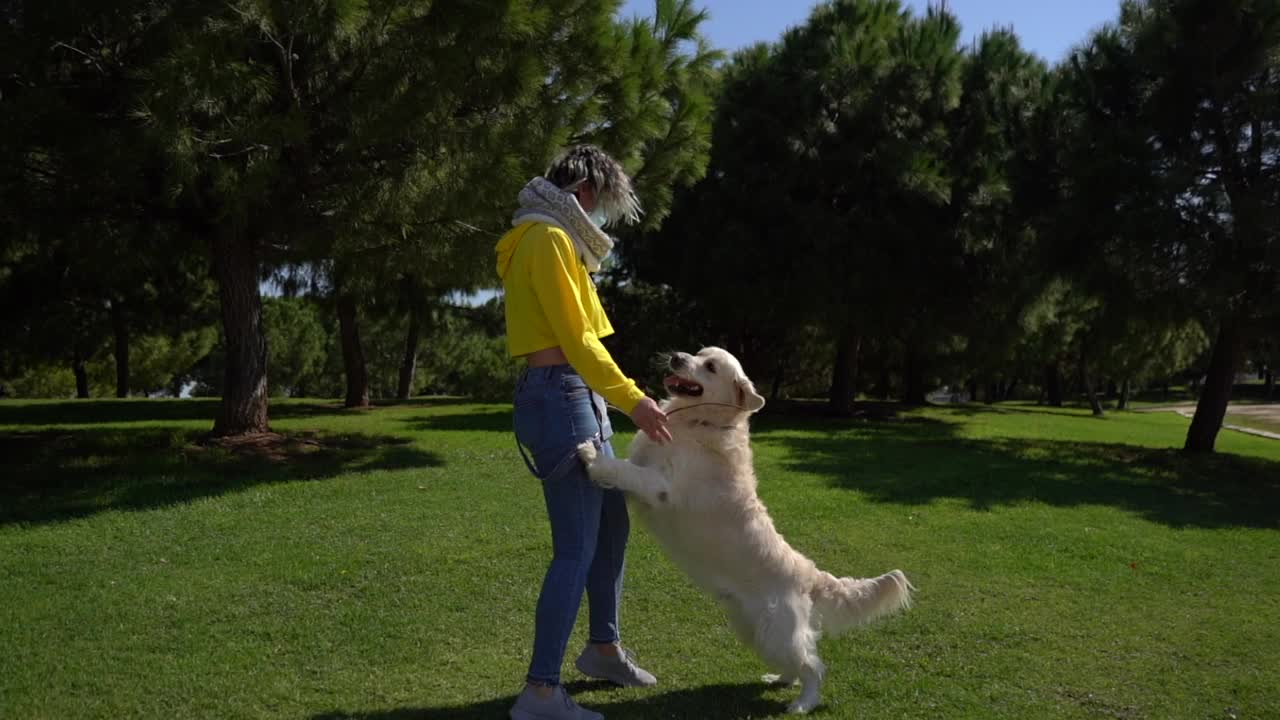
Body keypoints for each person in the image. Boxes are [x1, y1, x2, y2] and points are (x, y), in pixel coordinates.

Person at [496, 145, 672, 720]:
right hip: (564, 395)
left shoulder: (553, 236)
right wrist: (635, 400)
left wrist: (611, 398)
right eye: (605, 203)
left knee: (612, 528)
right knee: (575, 548)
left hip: (575, 396)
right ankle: (541, 691)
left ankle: (603, 649)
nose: (603, 218)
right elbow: (578, 340)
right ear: (588, 190)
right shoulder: (547, 238)